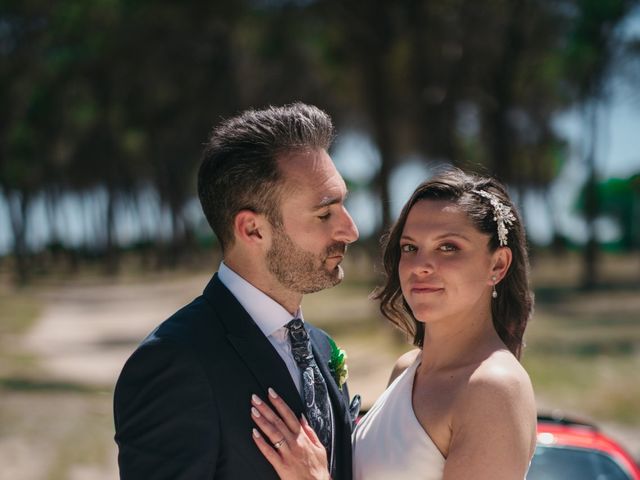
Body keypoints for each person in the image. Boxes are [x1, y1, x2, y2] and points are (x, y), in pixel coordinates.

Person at [113, 102, 360, 479]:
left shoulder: (321, 347)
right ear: (252, 230)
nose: (350, 230)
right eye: (325, 214)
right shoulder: (175, 363)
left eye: (344, 206)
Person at [250, 168, 537, 480]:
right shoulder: (407, 369)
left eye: (448, 247)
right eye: (410, 247)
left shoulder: (494, 388)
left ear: (497, 265)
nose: (420, 266)